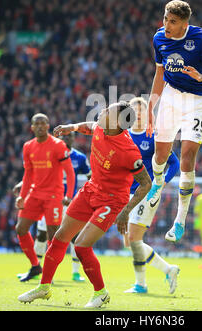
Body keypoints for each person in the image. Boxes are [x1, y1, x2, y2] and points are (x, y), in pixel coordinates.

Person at [18, 102, 152, 308]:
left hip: (112, 200)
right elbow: (89, 126)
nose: (103, 112)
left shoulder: (129, 151)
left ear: (117, 121)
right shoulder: (101, 127)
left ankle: (101, 294)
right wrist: (70, 127)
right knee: (60, 238)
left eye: (108, 111)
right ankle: (44, 287)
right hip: (90, 190)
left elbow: (146, 183)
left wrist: (126, 211)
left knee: (81, 246)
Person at [146, 0, 202, 242]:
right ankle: (157, 183)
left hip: (197, 103)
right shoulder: (159, 38)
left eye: (173, 21)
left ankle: (179, 221)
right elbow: (160, 73)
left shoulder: (201, 38)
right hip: (170, 97)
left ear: (185, 24)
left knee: (187, 158)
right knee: (160, 155)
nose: (167, 25)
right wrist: (150, 106)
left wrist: (200, 76)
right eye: (165, 19)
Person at [124, 97, 180, 294]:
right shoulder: (123, 135)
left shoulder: (153, 136)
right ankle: (168, 269)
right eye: (134, 110)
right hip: (126, 194)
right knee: (130, 241)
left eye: (141, 110)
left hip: (146, 193)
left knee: (133, 238)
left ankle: (141, 284)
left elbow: (175, 164)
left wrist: (161, 182)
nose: (138, 114)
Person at [15, 113, 75, 282]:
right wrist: (22, 196)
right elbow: (28, 174)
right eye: (37, 124)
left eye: (43, 123)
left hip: (53, 195)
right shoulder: (28, 146)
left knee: (52, 235)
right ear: (32, 127)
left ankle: (49, 274)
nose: (40, 126)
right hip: (34, 194)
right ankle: (35, 266)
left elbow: (69, 172)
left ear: (48, 126)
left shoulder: (57, 145)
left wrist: (68, 195)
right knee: (20, 229)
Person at [25, 132, 91, 282]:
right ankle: (37, 268)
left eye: (70, 136)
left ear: (74, 139)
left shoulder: (79, 157)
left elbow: (90, 177)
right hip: (49, 199)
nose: (67, 139)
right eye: (64, 137)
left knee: (74, 236)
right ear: (60, 139)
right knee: (43, 234)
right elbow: (37, 173)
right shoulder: (51, 153)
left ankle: (75, 272)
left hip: (69, 203)